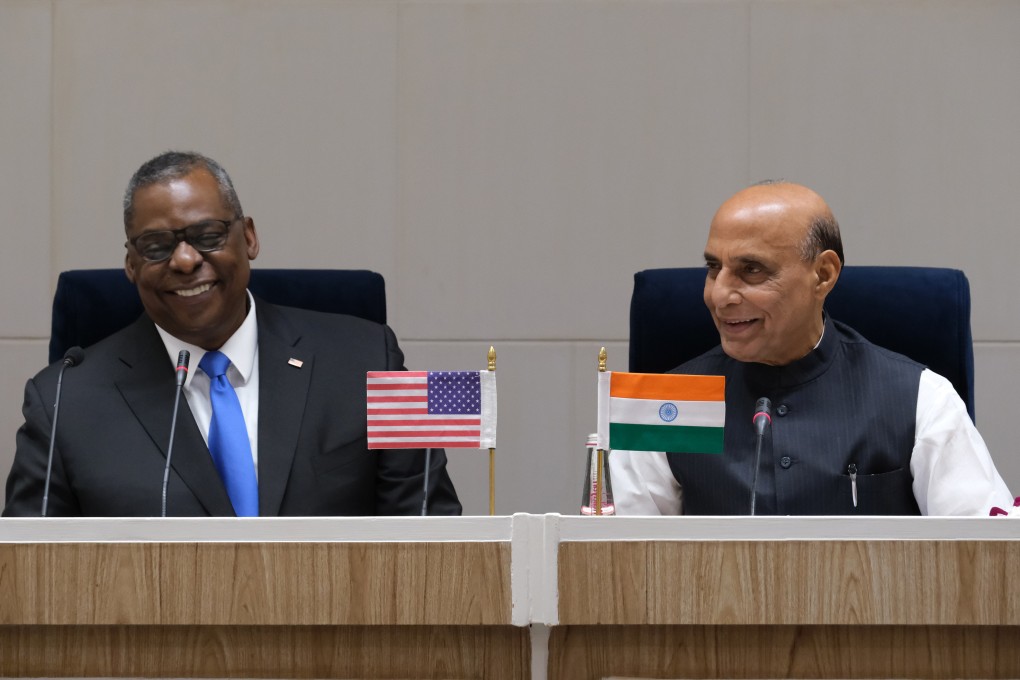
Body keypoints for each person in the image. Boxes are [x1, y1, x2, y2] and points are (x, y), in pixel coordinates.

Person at [4, 151, 461, 517]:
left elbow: (433, 531)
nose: (184, 260)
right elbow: (27, 575)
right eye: (157, 246)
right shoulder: (65, 401)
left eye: (207, 234)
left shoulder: (367, 359)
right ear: (131, 265)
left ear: (250, 237)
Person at [611, 181, 1012, 516]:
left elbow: (984, 561)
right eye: (714, 268)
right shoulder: (662, 407)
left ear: (823, 275)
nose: (720, 295)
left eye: (752, 270)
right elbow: (621, 571)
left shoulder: (922, 399)